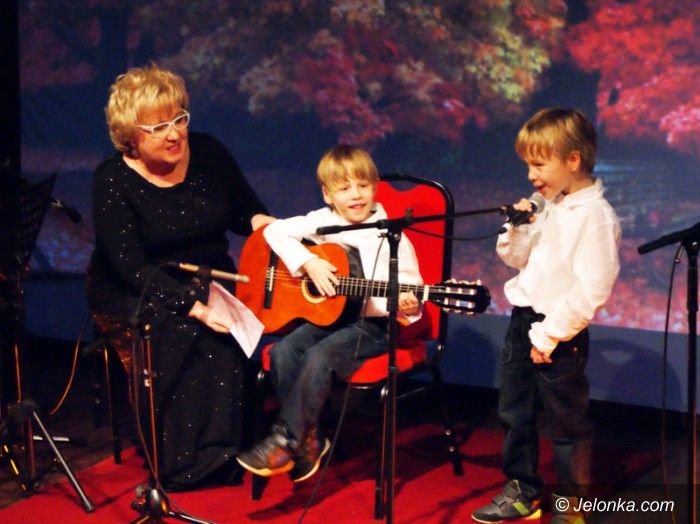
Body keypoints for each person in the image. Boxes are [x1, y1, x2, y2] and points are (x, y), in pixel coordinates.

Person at [86, 63, 274, 491]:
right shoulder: (112, 179)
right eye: (158, 127)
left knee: (232, 330)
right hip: (135, 287)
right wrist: (194, 307)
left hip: (207, 276)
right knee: (186, 332)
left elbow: (246, 212)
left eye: (179, 119)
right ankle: (187, 465)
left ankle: (228, 451)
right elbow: (131, 266)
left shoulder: (207, 152)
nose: (174, 134)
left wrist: (275, 230)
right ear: (131, 136)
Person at [236, 145, 423, 483]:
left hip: (374, 326)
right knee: (282, 352)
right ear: (328, 194)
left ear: (375, 188)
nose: (356, 195)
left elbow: (411, 292)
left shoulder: (391, 236)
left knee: (320, 355)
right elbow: (274, 232)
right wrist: (308, 262)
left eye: (363, 186)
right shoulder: (323, 222)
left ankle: (288, 439)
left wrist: (408, 304)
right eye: (344, 188)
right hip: (331, 317)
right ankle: (310, 438)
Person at [471, 108, 621, 524]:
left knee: (566, 423)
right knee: (514, 412)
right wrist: (519, 227)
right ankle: (522, 489)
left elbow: (592, 289)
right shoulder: (549, 205)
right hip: (523, 321)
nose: (531, 175)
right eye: (528, 165)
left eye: (539, 164)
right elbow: (516, 259)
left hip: (560, 331)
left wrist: (550, 334)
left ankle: (571, 507)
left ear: (573, 159)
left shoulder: (595, 216)